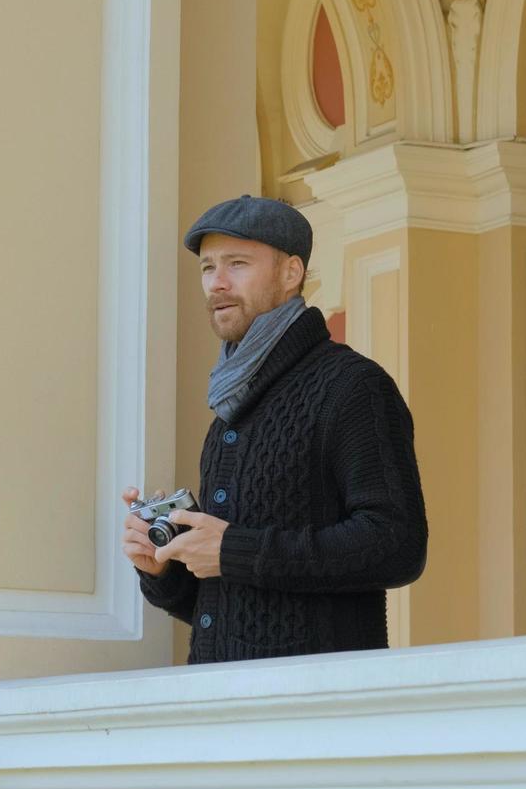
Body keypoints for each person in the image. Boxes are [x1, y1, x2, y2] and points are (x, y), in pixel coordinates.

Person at [121, 194, 429, 663]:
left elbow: (396, 544)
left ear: (291, 273)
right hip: (224, 706)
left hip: (314, 706)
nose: (216, 284)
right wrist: (163, 569)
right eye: (207, 268)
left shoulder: (352, 386)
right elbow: (236, 604)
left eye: (237, 264)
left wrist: (232, 549)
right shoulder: (231, 402)